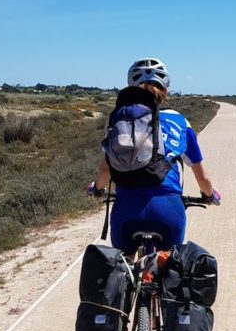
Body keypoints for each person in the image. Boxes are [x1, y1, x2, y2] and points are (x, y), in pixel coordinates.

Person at [87, 58, 220, 254]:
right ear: (165, 90)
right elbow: (202, 176)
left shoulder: (121, 120)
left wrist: (97, 189)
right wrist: (209, 195)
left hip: (127, 208)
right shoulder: (179, 121)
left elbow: (106, 168)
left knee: (123, 265)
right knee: (170, 266)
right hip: (167, 209)